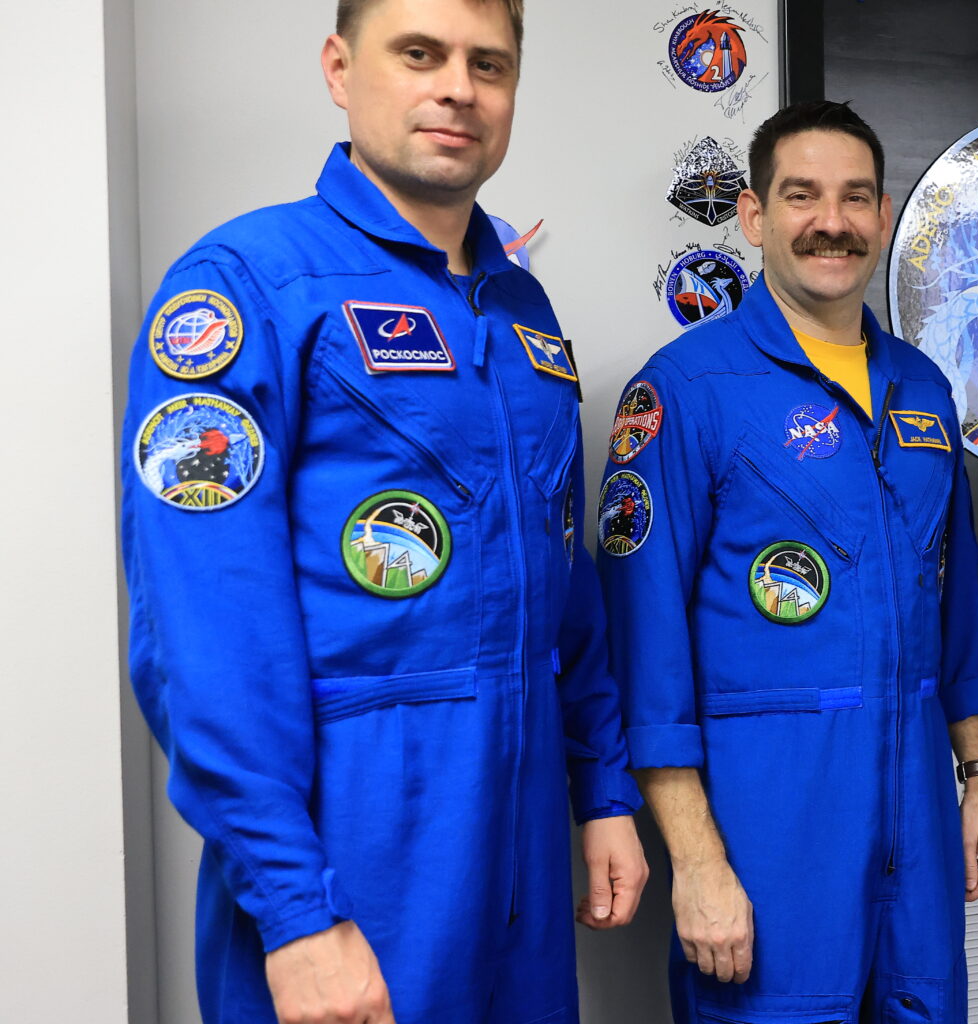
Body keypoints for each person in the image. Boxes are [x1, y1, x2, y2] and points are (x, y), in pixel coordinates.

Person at [118, 2, 646, 1019]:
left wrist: (604, 791)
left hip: (526, 832)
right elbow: (204, 630)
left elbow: (564, 582)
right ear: (338, 67)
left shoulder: (522, 309)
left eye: (488, 64)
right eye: (420, 54)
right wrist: (294, 909)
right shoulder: (249, 287)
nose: (458, 87)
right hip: (359, 840)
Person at [597, 100, 978, 1023]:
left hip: (920, 832)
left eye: (856, 198)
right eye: (802, 195)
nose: (834, 221)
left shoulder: (923, 387)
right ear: (752, 216)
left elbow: (957, 604)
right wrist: (697, 863)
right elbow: (645, 658)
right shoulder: (684, 390)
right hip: (769, 831)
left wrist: (977, 779)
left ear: (883, 213)